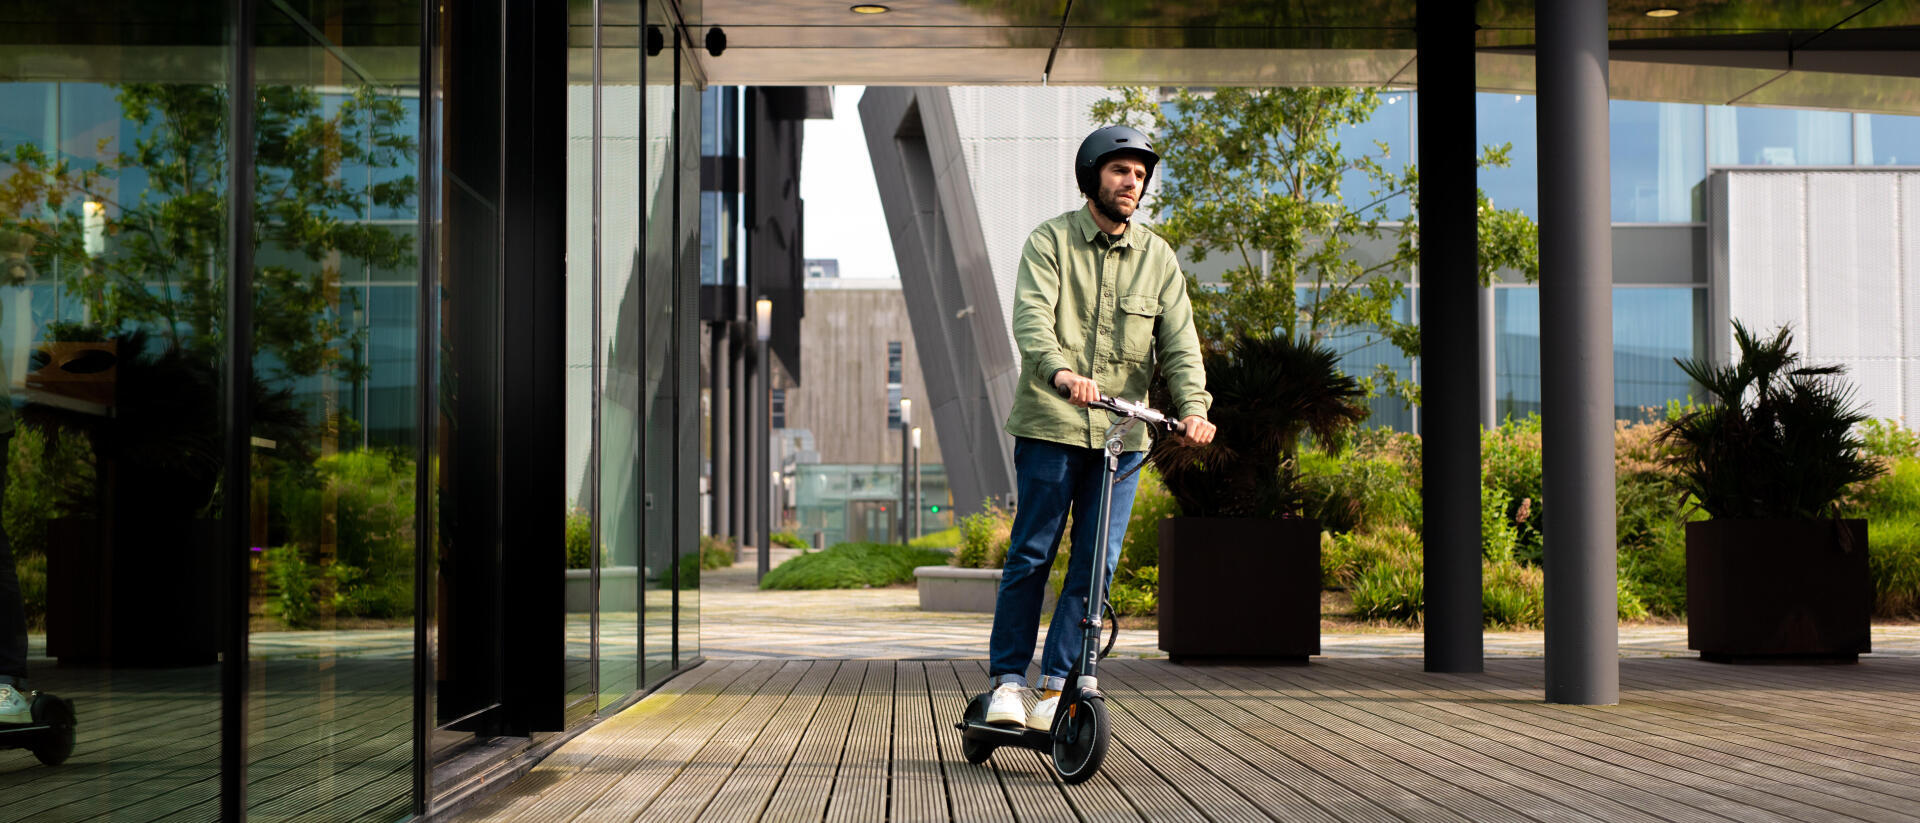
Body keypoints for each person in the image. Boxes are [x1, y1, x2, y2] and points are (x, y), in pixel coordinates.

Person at [984, 125, 1216, 730]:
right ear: (1094, 177)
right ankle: (1008, 681)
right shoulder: (1051, 242)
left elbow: (1181, 345)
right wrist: (1061, 371)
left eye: (1139, 175)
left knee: (1095, 564)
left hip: (1121, 438)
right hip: (1052, 423)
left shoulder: (1158, 258)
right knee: (1032, 553)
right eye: (1120, 171)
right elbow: (1033, 316)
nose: (1131, 183)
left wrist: (1194, 409)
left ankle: (1057, 685)